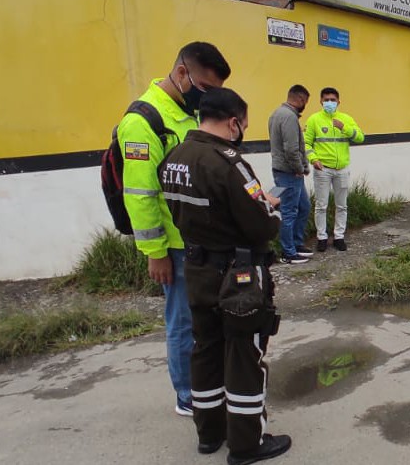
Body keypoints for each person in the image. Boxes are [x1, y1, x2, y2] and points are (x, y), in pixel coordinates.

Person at [160, 88, 293, 464]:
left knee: (205, 350)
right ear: (233, 122)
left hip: (197, 269)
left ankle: (209, 435)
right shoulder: (229, 164)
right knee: (244, 355)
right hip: (238, 277)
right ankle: (248, 444)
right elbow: (262, 227)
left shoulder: (175, 158)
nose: (243, 131)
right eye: (244, 125)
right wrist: (271, 207)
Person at [118, 41, 230, 417]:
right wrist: (156, 253)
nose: (208, 99)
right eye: (205, 89)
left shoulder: (186, 116)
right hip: (176, 248)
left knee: (206, 319)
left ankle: (209, 386)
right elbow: (140, 194)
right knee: (183, 323)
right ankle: (188, 396)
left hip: (202, 241)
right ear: (182, 73)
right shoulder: (143, 122)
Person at [304, 87, 365, 252]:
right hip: (322, 168)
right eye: (326, 100)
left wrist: (344, 127)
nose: (329, 103)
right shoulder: (314, 119)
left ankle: (339, 236)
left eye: (332, 100)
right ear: (321, 102)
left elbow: (360, 137)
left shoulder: (346, 119)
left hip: (342, 169)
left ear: (339, 101)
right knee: (321, 205)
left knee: (342, 205)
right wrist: (313, 159)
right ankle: (322, 237)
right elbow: (306, 143)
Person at [268, 85, 313, 264]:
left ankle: (296, 243)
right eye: (306, 102)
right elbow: (291, 149)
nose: (305, 106)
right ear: (301, 99)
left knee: (304, 207)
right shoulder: (288, 117)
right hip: (289, 173)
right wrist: (298, 169)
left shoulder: (277, 114)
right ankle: (288, 252)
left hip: (287, 171)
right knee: (289, 212)